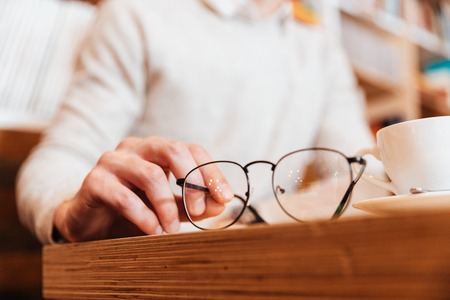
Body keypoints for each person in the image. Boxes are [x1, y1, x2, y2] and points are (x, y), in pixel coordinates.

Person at [16, 0, 378, 244]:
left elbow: (363, 172)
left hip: (268, 260)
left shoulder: (321, 48)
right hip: (157, 265)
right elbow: (56, 159)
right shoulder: (137, 13)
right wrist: (68, 212)